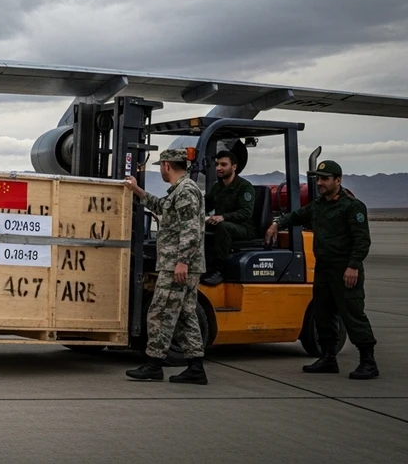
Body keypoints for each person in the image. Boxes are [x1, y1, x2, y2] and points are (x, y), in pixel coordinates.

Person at [265, 160, 378, 380]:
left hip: (344, 269)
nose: (320, 183)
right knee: (323, 315)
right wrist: (277, 224)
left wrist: (353, 266)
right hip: (323, 269)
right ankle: (328, 358)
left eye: (325, 179)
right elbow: (298, 215)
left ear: (338, 180)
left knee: (352, 314)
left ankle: (368, 361)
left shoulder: (352, 207)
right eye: (318, 179)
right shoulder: (319, 205)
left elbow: (362, 240)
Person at [123, 149, 208, 384]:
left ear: (167, 166)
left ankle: (153, 365)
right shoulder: (180, 191)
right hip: (181, 264)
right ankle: (196, 367)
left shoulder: (186, 190)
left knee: (159, 313)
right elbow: (161, 207)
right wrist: (137, 190)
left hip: (177, 265)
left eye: (161, 165)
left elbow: (191, 230)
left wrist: (182, 261)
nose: (160, 169)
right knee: (184, 315)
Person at [202, 151, 257, 285]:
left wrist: (223, 217)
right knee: (197, 226)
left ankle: (219, 270)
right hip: (225, 223)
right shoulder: (217, 187)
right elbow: (206, 204)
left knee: (223, 227)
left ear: (234, 167)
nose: (219, 168)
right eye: (217, 164)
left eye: (223, 164)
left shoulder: (245, 187)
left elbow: (246, 213)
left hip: (245, 228)